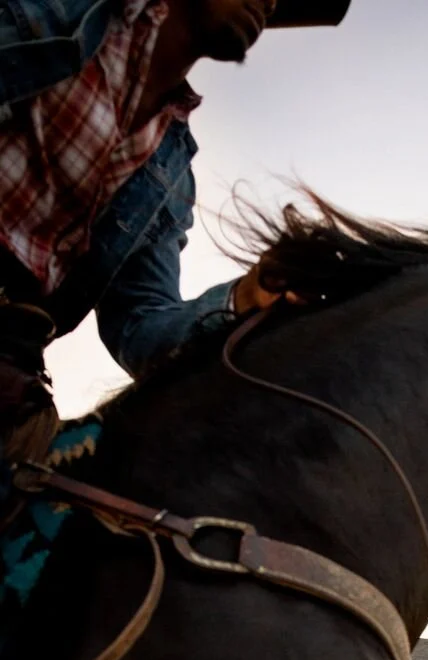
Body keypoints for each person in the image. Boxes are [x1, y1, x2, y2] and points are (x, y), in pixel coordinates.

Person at [0, 0, 352, 509]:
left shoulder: (168, 171)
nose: (271, 0)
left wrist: (242, 301)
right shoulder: (59, 12)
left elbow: (141, 329)